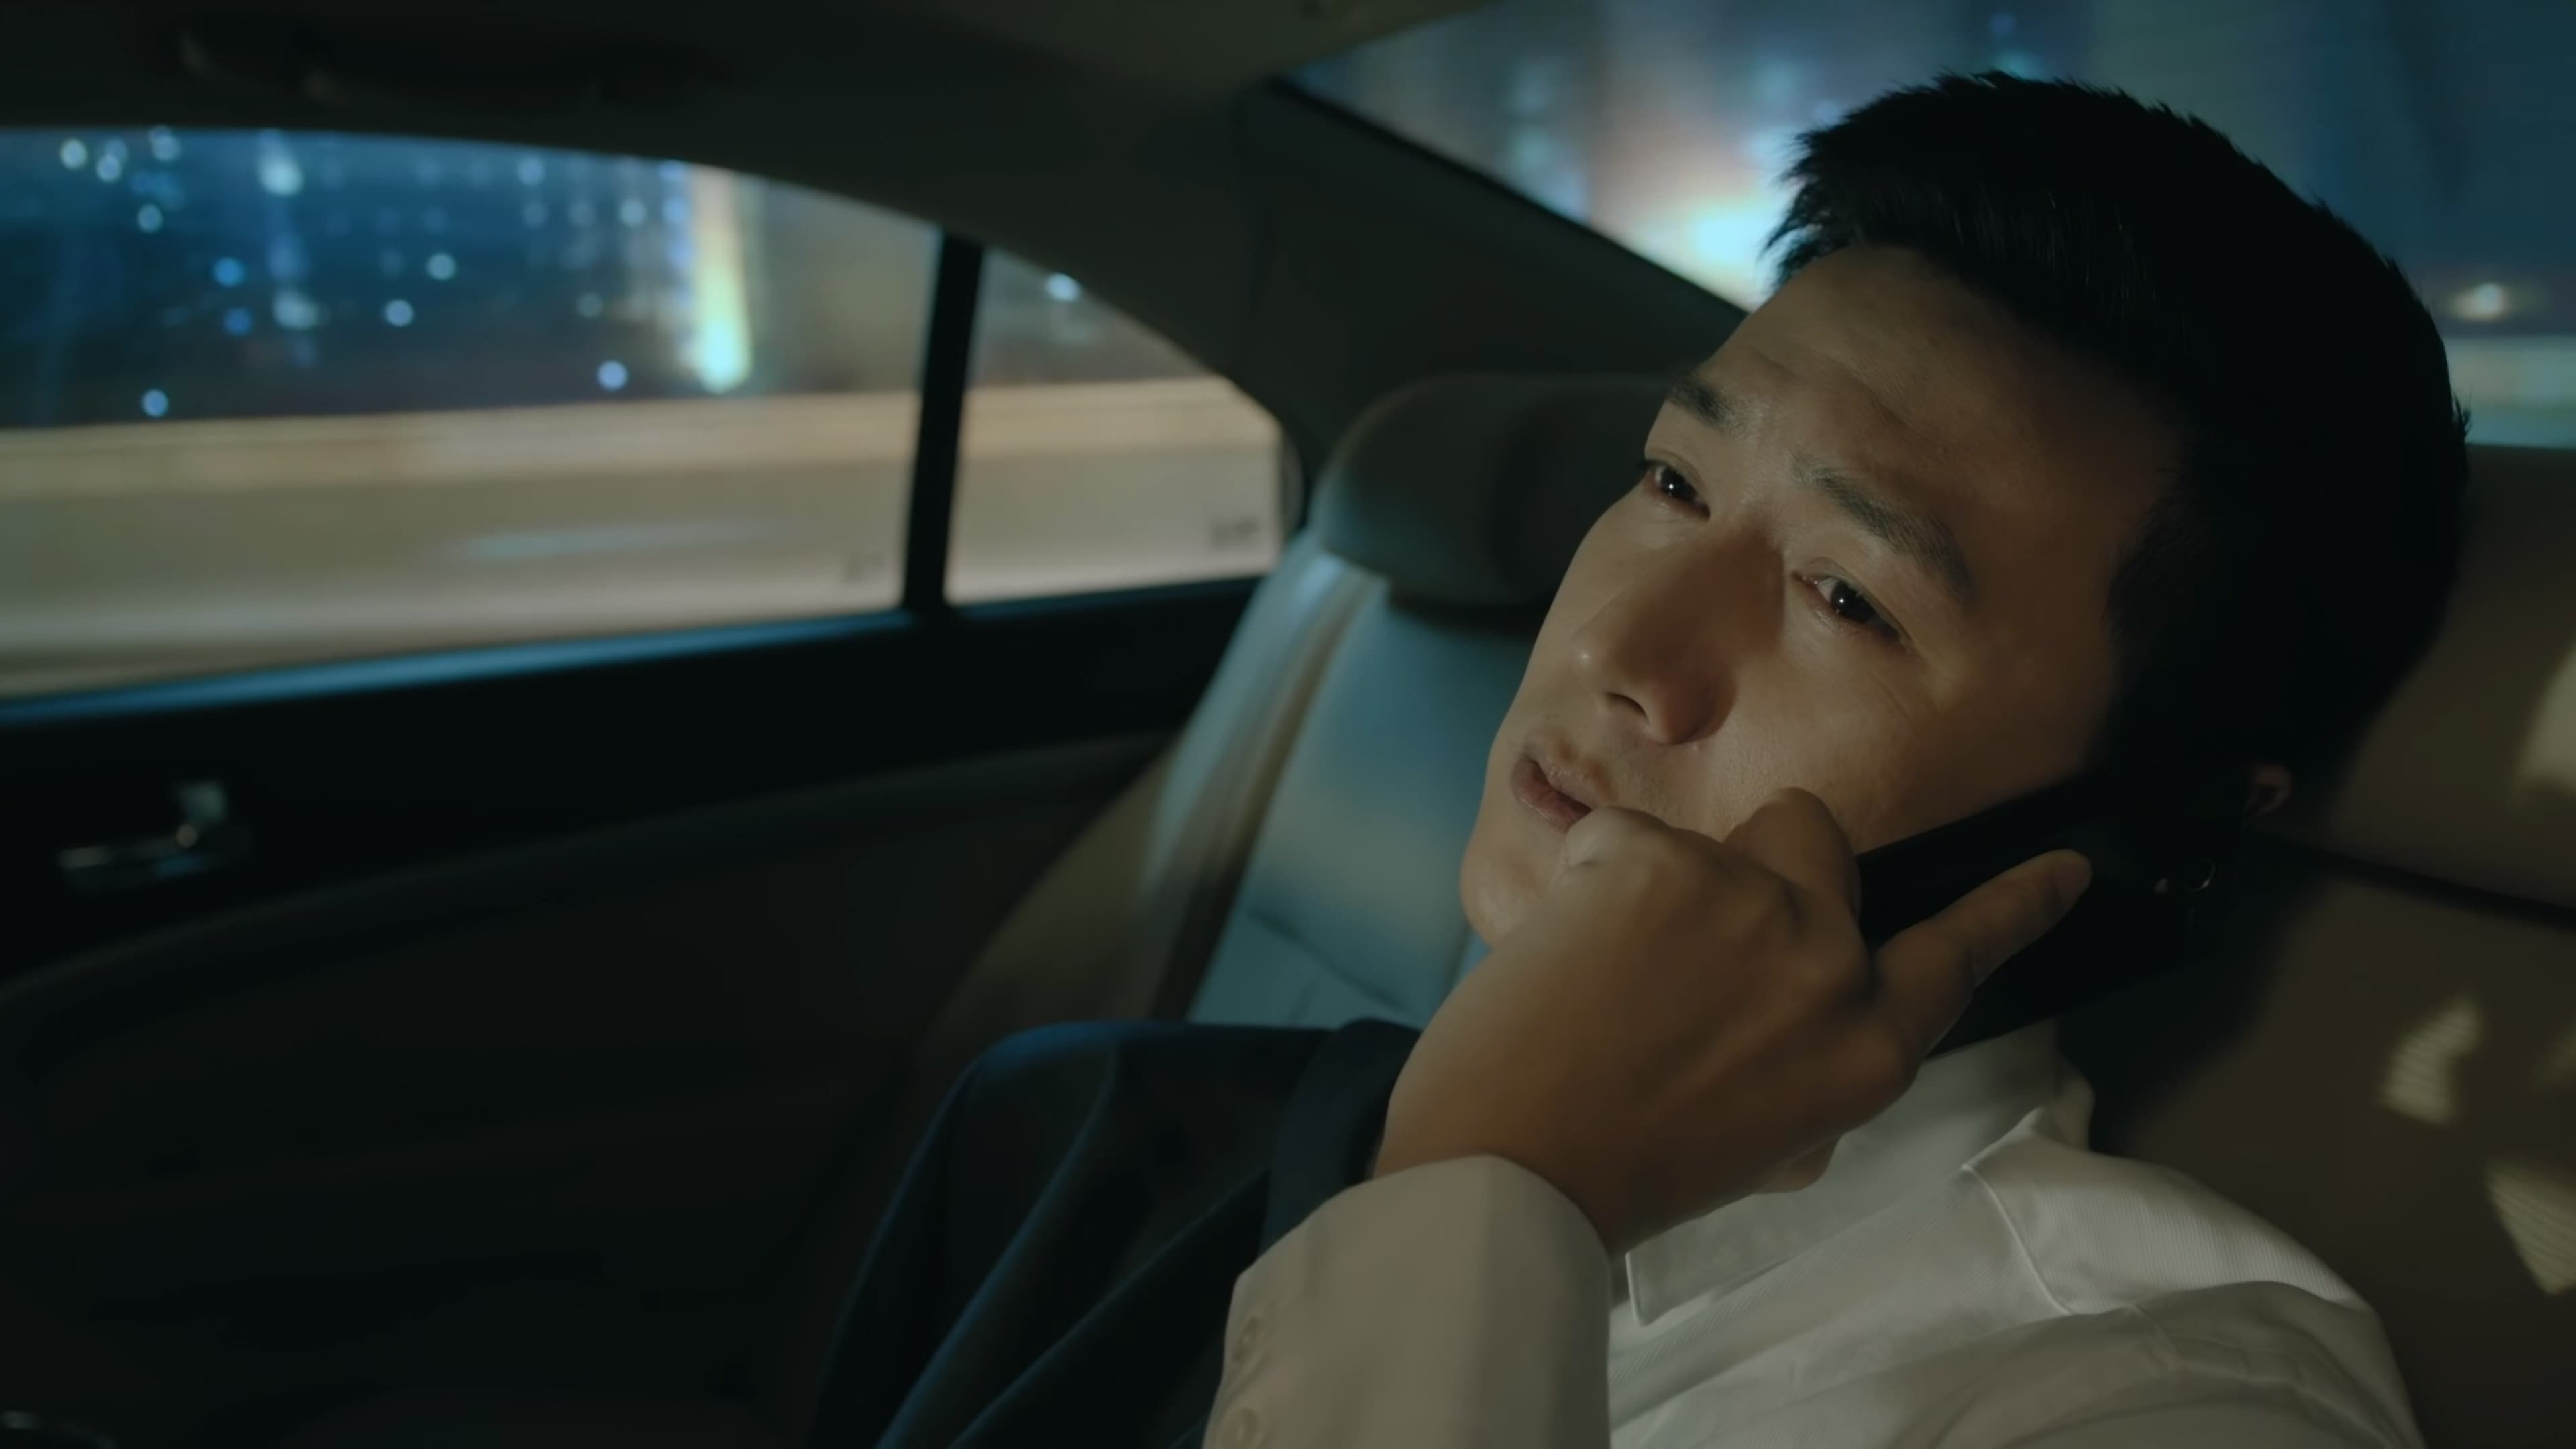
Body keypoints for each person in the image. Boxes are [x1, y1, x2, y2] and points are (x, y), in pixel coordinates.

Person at [810, 73, 2465, 1448]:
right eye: (1674, 483)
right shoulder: (1123, 1142)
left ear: (2156, 818)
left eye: (1846, 597)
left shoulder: (2157, 1392)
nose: (1618, 650)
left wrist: (1492, 1194)